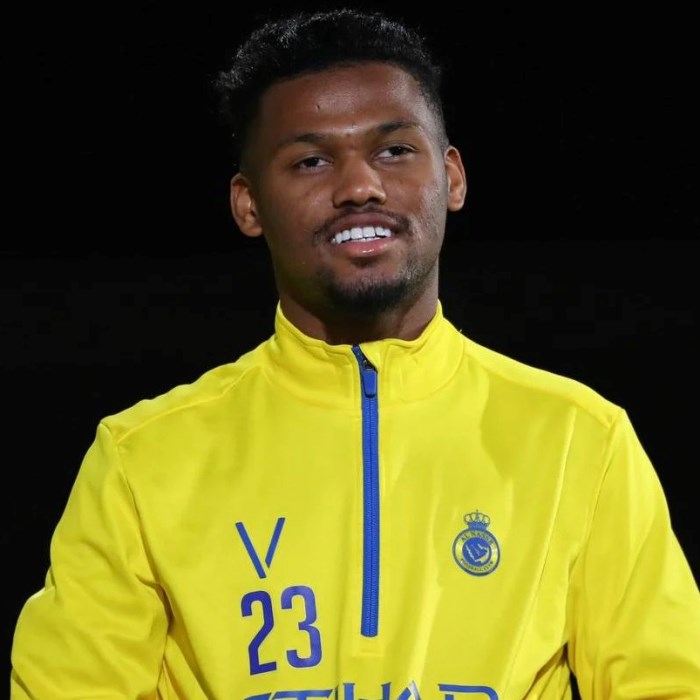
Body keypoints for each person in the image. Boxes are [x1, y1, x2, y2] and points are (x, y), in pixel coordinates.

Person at [10, 7, 700, 699]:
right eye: (310, 161)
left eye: (394, 151)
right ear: (249, 205)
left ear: (453, 177)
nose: (359, 187)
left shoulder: (582, 439)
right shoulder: (141, 459)